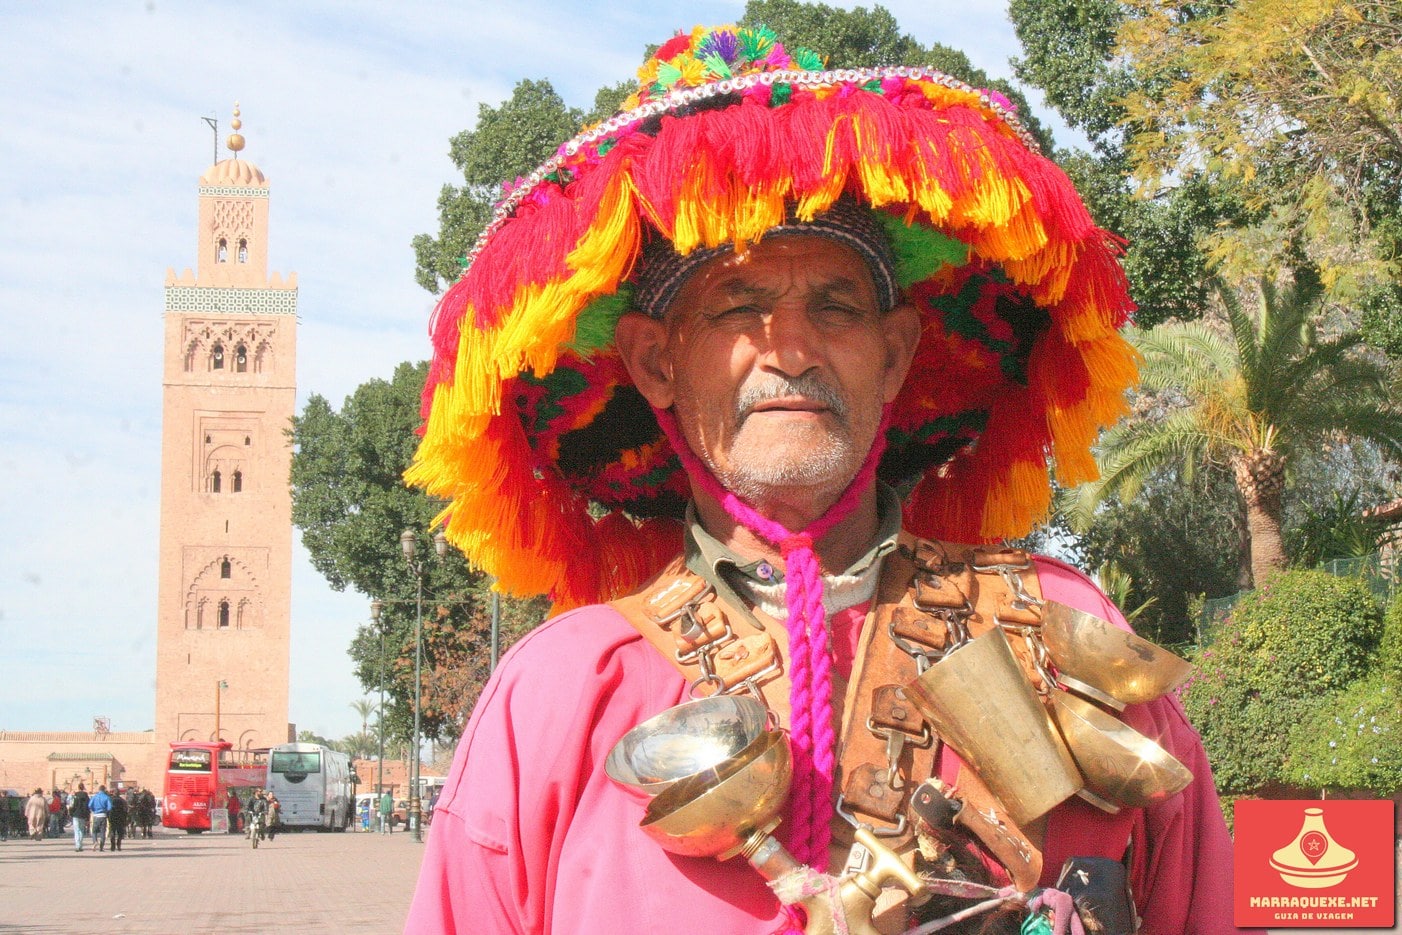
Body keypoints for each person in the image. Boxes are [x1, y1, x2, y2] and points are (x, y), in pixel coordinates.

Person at [404, 23, 1254, 934]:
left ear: (895, 356)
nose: (794, 350)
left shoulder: (1061, 634)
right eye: (738, 305)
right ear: (655, 364)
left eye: (836, 308)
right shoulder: (566, 689)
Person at [87, 784, 112, 853]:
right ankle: (101, 847)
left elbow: (89, 805)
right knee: (102, 832)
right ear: (104, 790)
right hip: (103, 816)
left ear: (99, 790)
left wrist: (94, 810)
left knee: (94, 831)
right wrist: (105, 810)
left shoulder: (94, 797)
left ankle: (95, 841)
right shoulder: (107, 797)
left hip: (96, 815)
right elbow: (109, 807)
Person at [68, 783, 90, 853]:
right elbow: (88, 807)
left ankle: (77, 845)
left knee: (76, 830)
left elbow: (72, 805)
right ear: (83, 788)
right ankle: (80, 845)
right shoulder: (86, 796)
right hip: (83, 815)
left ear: (78, 787)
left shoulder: (75, 796)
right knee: (81, 830)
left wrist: (71, 813)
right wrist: (87, 816)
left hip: (76, 815)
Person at [107, 787, 129, 852]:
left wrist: (108, 817)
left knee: (112, 832)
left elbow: (108, 809)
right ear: (119, 793)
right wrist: (125, 818)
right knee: (120, 833)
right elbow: (125, 810)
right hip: (120, 818)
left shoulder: (110, 800)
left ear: (113, 793)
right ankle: (118, 845)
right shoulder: (123, 801)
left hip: (112, 818)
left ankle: (112, 846)